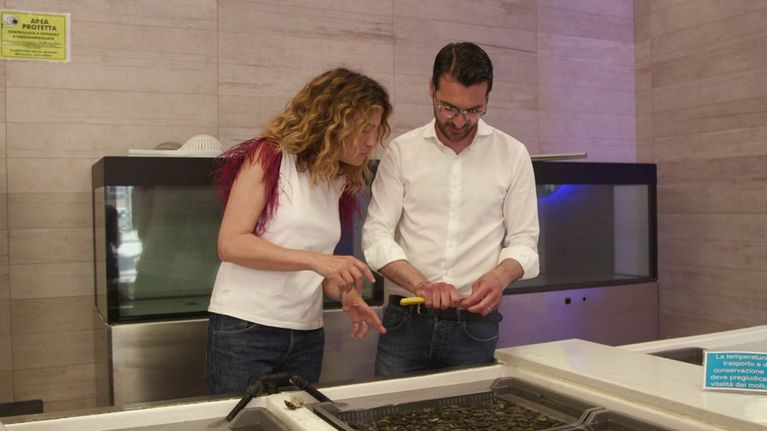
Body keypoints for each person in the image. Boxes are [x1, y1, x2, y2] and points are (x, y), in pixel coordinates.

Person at [207, 67, 392, 394]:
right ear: (332, 121)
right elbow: (231, 243)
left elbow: (320, 269)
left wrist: (346, 293)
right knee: (245, 420)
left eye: (376, 130)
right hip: (246, 328)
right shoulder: (269, 156)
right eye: (365, 129)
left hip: (306, 333)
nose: (372, 142)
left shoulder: (336, 178)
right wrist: (317, 260)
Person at [362, 42, 540, 376]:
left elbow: (525, 240)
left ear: (487, 98)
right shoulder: (402, 152)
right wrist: (422, 285)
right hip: (406, 321)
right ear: (431, 88)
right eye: (448, 108)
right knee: (394, 409)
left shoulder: (512, 154)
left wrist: (500, 276)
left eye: (473, 110)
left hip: (475, 325)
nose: (459, 121)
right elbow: (376, 235)